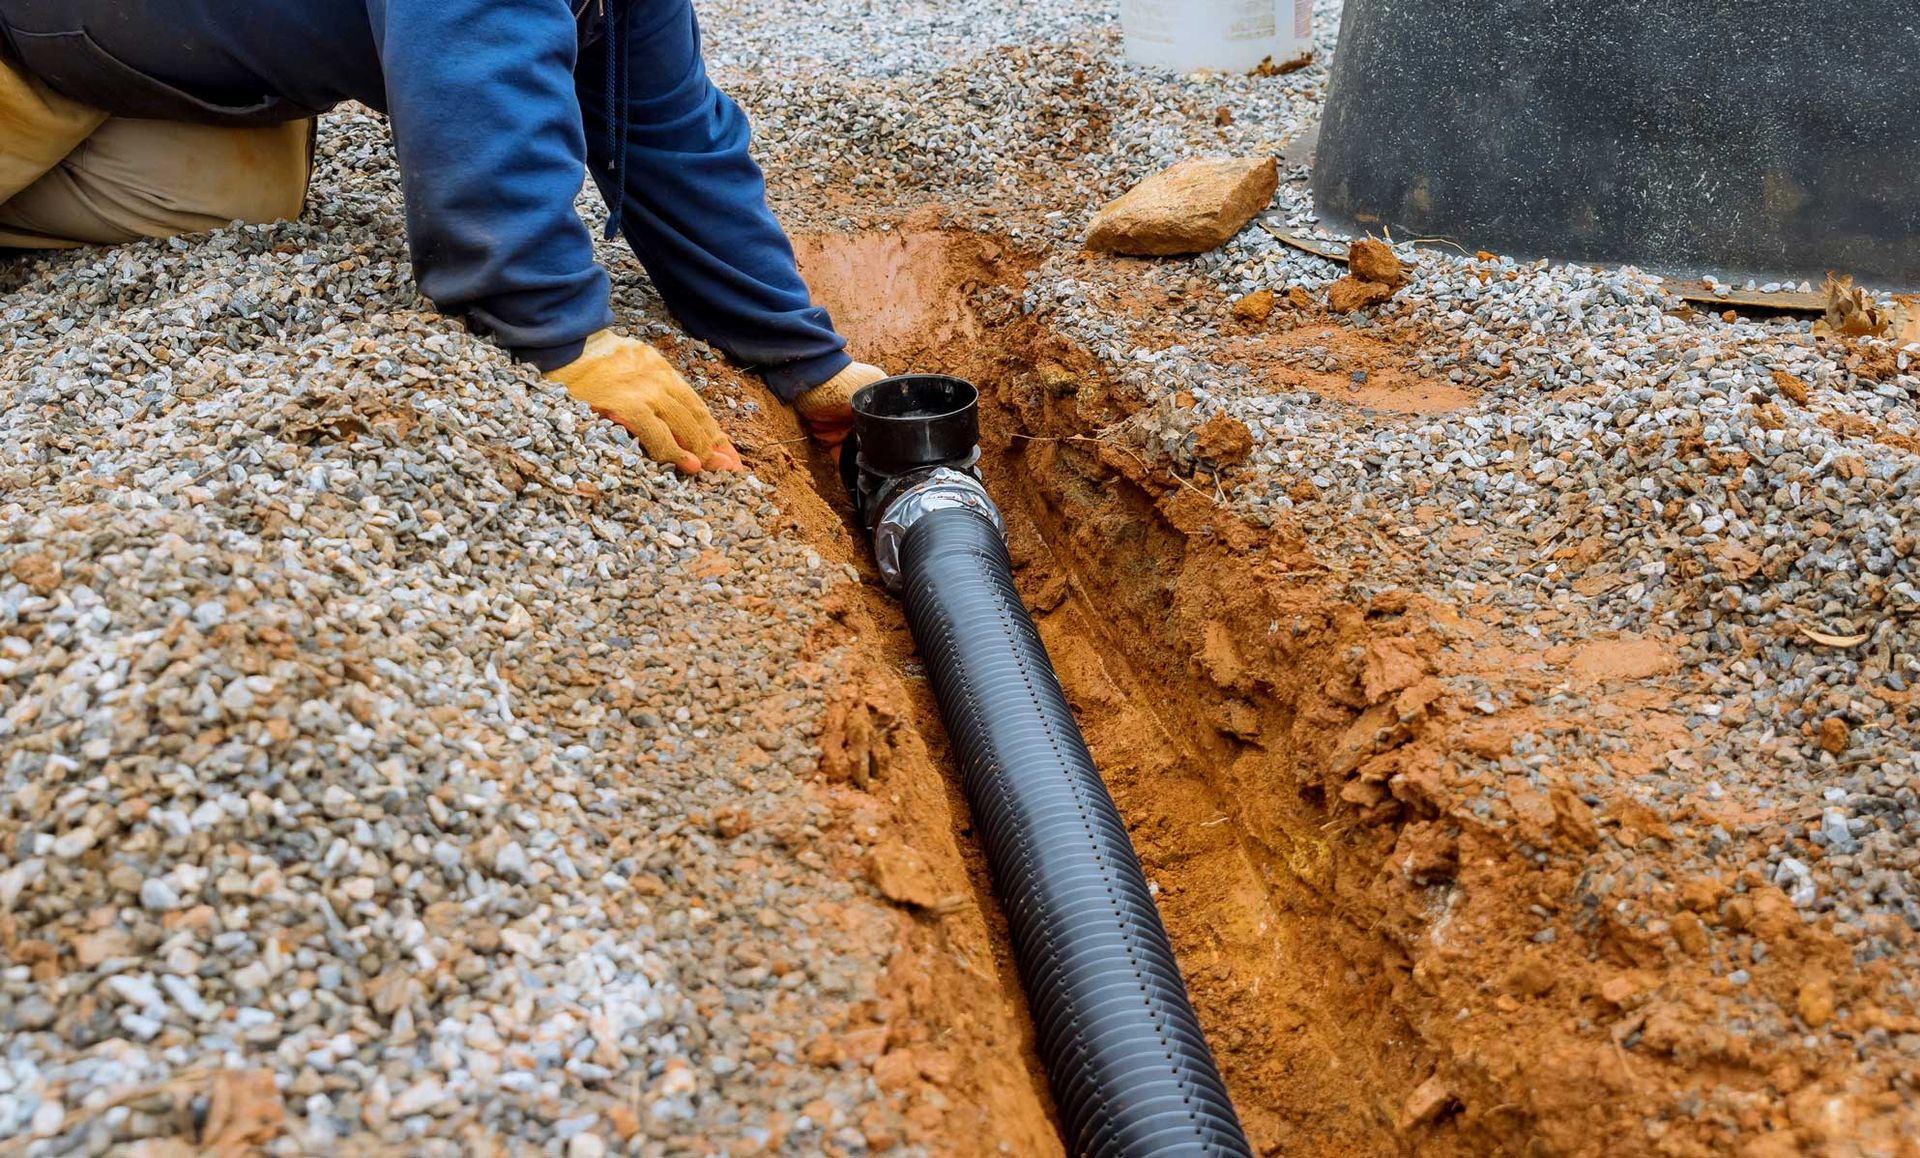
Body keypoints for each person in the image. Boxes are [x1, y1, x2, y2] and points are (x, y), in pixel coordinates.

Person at [0, 0, 882, 473]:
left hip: (153, 62)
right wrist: (559, 338)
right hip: (34, 35)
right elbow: (476, 81)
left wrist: (800, 358)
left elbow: (663, 129)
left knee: (242, 203)